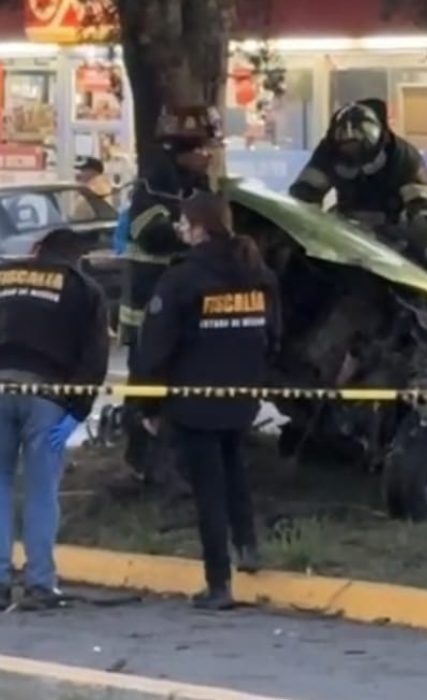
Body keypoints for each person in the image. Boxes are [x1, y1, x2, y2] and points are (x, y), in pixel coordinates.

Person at [129, 192, 280, 610]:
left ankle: (219, 583)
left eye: (183, 223)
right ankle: (247, 545)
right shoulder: (256, 271)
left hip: (195, 398)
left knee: (208, 489)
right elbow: (273, 334)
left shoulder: (183, 278)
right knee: (234, 471)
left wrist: (148, 406)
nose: (179, 229)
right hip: (242, 394)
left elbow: (155, 347)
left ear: (198, 228)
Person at [0, 227, 110, 611]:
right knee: (41, 491)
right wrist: (77, 411)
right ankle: (40, 583)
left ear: (38, 250)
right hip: (47, 395)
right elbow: (94, 357)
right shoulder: (83, 288)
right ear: (76, 259)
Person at [118, 107, 218, 490]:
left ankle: (169, 465)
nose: (209, 155)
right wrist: (187, 234)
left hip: (176, 305)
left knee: (176, 386)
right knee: (148, 387)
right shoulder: (157, 181)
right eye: (204, 148)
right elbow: (146, 230)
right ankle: (144, 465)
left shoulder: (195, 181)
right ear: (184, 149)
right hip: (149, 306)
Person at [290, 99, 427, 275]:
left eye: (361, 139)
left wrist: (425, 239)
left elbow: (424, 205)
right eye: (347, 144)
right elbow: (304, 195)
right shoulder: (328, 152)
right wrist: (299, 232)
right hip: (345, 235)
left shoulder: (402, 156)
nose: (353, 149)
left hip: (395, 240)